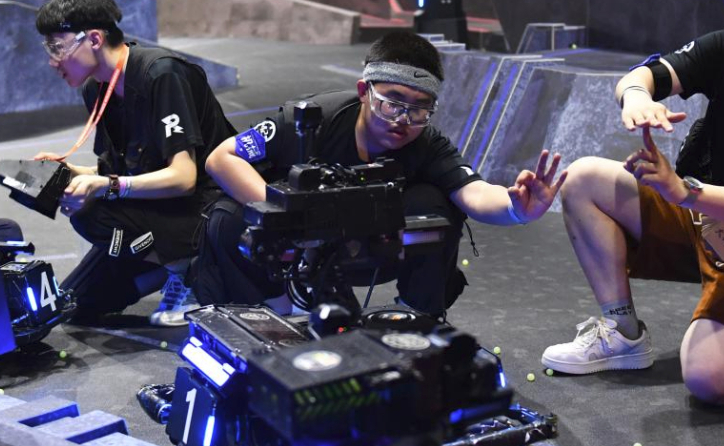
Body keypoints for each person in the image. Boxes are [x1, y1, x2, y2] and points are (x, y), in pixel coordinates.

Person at [541, 0, 724, 405]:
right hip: (709, 223)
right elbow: (641, 76)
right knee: (585, 178)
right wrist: (638, 98)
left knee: (708, 381)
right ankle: (622, 333)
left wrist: (682, 191)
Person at [192, 31, 567, 317]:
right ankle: (273, 312)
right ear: (364, 92)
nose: (404, 119)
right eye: (392, 103)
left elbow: (474, 192)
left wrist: (517, 209)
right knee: (228, 216)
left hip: (368, 249)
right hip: (292, 247)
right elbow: (222, 158)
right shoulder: (308, 120)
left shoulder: (427, 143)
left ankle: (417, 320)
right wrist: (284, 212)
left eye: (419, 109)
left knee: (436, 204)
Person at [33, 0, 236, 327]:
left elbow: (184, 178)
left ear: (93, 39)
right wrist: (70, 172)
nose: (53, 61)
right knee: (73, 304)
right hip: (157, 208)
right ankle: (166, 270)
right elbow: (120, 170)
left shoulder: (162, 74)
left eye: (57, 47)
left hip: (205, 207)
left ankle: (191, 272)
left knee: (91, 213)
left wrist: (104, 186)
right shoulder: (96, 89)